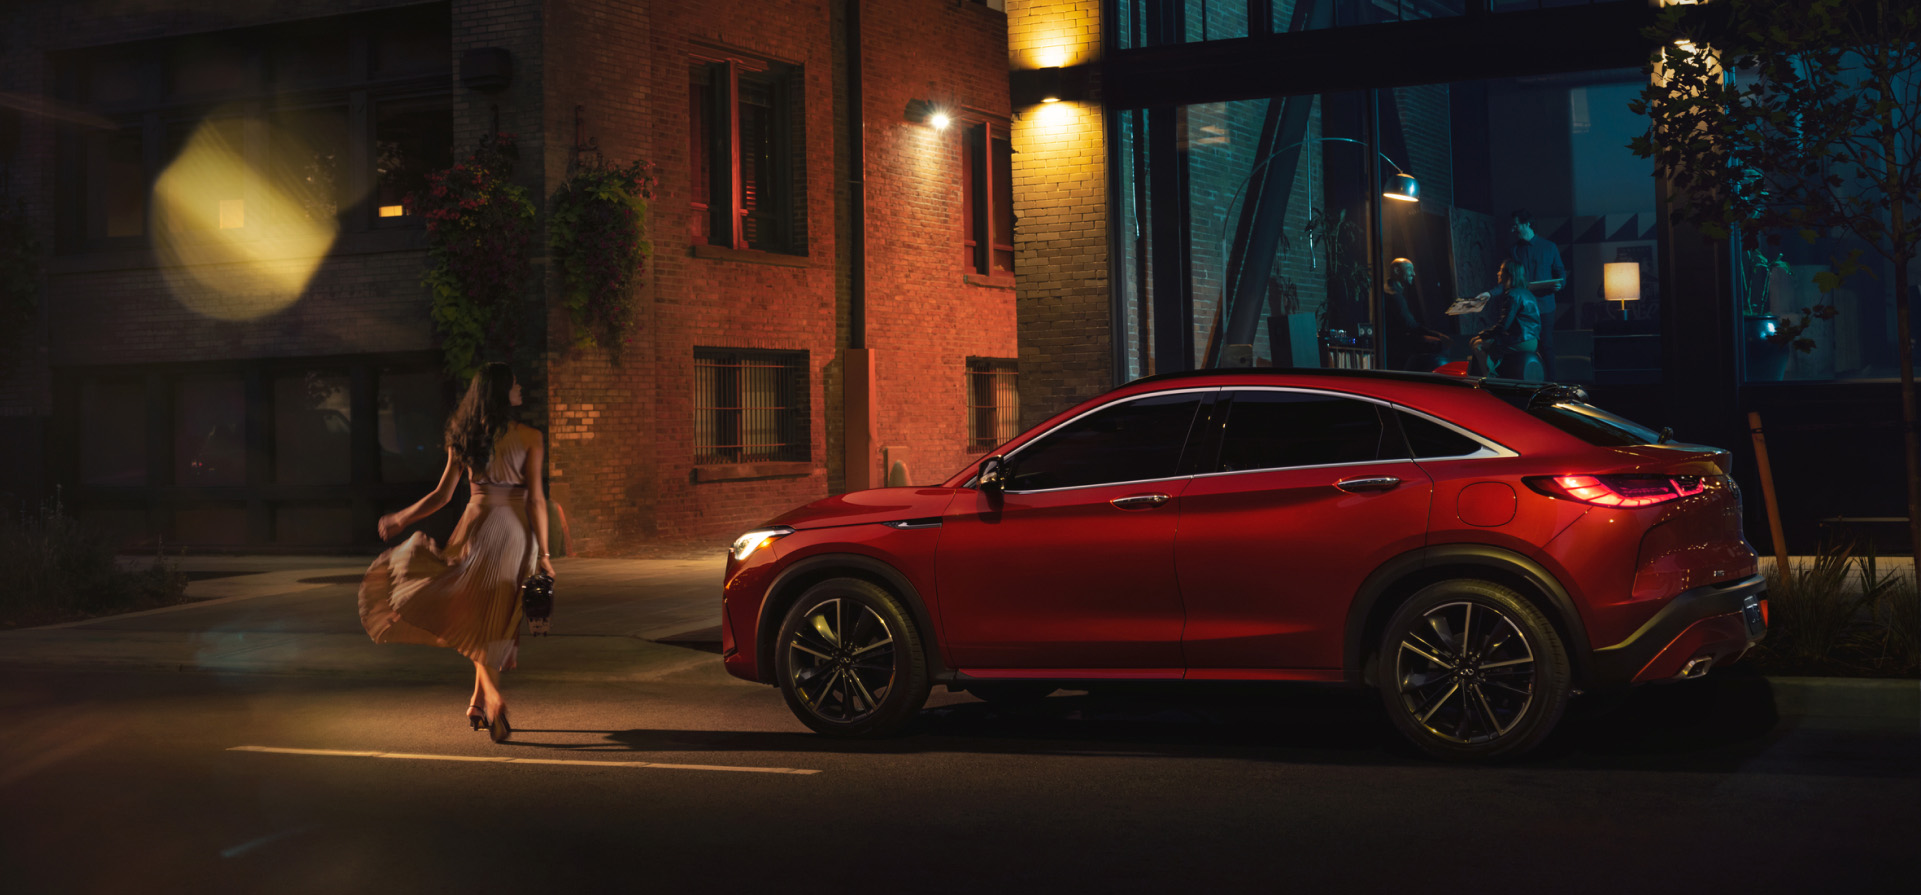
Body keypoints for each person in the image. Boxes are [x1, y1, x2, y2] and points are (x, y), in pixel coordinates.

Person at [358, 362, 555, 744]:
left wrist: (401, 517)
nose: (520, 389)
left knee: (480, 612)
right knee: (495, 619)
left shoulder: (465, 437)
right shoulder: (531, 436)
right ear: (501, 392)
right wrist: (545, 552)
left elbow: (442, 496)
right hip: (515, 533)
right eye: (514, 385)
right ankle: (495, 700)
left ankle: (478, 702)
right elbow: (536, 500)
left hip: (478, 527)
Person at [1509, 209, 1567, 378]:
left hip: (1545, 307)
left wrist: (1559, 285)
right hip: (1523, 310)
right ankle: (1532, 383)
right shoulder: (1514, 250)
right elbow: (1508, 279)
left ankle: (1552, 383)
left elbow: (1560, 273)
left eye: (1516, 225)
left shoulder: (1549, 247)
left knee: (1546, 346)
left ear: (1527, 224)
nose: (1513, 229)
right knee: (1526, 348)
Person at [1470, 259, 1541, 378]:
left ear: (1509, 274)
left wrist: (1484, 334)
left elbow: (1504, 325)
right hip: (1532, 340)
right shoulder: (1527, 293)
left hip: (1520, 340)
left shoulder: (1512, 295)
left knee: (1477, 344)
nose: (1498, 273)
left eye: (1501, 270)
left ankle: (1488, 377)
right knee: (1477, 341)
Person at [1381, 257, 1451, 371]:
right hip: (1397, 343)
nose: (1413, 274)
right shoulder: (1394, 295)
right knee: (1442, 343)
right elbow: (1411, 326)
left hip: (1395, 340)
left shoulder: (1390, 288)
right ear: (1397, 271)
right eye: (1409, 269)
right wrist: (1438, 335)